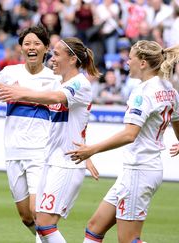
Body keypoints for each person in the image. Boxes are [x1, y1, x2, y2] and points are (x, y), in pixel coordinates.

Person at [0, 37, 100, 242]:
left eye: (57, 54)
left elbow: (50, 98)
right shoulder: (64, 83)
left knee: (43, 222)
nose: (52, 58)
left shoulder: (79, 84)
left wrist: (10, 90)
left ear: (72, 59)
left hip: (66, 163)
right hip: (52, 159)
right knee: (39, 222)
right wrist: (0, 86)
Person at [66, 40, 179, 243]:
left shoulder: (143, 92)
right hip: (141, 169)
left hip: (140, 170)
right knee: (94, 228)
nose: (127, 62)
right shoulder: (169, 89)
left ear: (143, 62)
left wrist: (91, 149)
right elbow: (176, 119)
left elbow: (129, 134)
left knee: (128, 240)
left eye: (130, 58)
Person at [0, 25, 61, 242]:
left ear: (46, 48)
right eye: (27, 43)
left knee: (37, 211)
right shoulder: (8, 73)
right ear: (21, 48)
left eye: (36, 43)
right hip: (13, 151)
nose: (31, 47)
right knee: (26, 217)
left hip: (40, 152)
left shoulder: (54, 79)